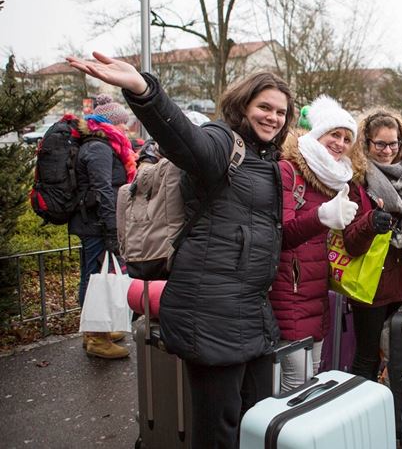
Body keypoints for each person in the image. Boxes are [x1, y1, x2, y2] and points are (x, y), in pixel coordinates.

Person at [67, 51, 293, 448]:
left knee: (254, 419)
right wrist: (144, 91)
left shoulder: (266, 159)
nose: (273, 117)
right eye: (264, 107)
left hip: (251, 311)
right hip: (210, 311)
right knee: (217, 431)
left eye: (280, 112)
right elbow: (187, 142)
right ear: (243, 105)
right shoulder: (225, 142)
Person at [270, 95, 361, 391]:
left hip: (317, 294)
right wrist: (322, 216)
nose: (341, 143)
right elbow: (282, 235)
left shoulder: (336, 180)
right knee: (296, 385)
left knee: (311, 380)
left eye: (348, 138)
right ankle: (281, 438)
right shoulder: (288, 170)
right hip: (290, 290)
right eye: (335, 134)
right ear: (319, 132)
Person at [341, 109, 402, 382]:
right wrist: (371, 221)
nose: (387, 150)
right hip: (371, 286)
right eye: (380, 144)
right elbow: (351, 244)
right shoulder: (357, 180)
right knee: (367, 356)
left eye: (393, 143)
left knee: (398, 355)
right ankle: (361, 415)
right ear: (366, 143)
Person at [68, 104, 136, 359]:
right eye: (121, 123)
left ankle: (98, 329)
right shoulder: (99, 148)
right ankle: (96, 337)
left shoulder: (99, 145)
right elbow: (103, 191)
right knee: (95, 276)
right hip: (95, 222)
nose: (125, 128)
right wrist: (112, 228)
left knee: (96, 274)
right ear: (108, 124)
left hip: (93, 221)